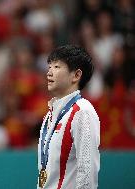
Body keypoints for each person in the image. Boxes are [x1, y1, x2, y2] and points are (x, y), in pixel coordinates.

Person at [37, 45, 100, 188]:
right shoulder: (50, 115)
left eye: (57, 67)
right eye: (49, 67)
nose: (49, 73)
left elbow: (87, 171)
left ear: (76, 75)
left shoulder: (82, 111)